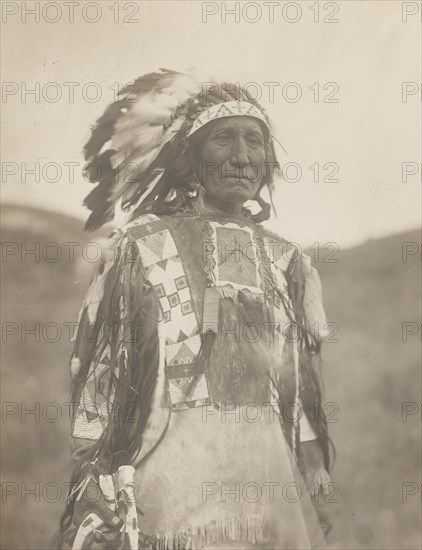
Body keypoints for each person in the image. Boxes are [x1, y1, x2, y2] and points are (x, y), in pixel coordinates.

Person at [58, 70, 333, 550]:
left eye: (255, 141)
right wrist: (98, 472)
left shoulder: (286, 260)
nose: (242, 157)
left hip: (265, 483)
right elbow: (101, 377)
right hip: (168, 476)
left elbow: (293, 385)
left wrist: (312, 467)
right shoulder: (141, 246)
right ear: (190, 156)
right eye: (223, 139)